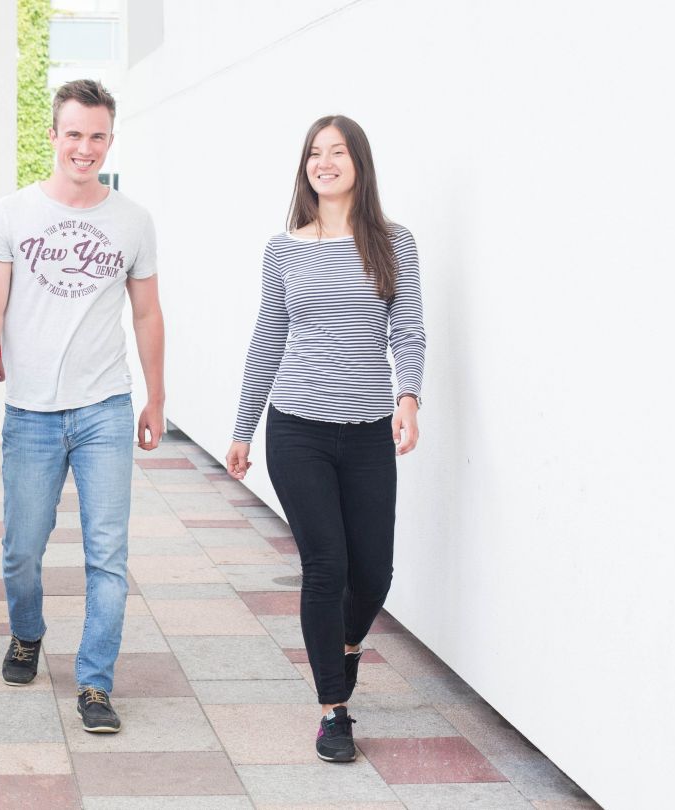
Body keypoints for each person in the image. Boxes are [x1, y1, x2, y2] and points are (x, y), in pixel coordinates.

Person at [226, 114, 425, 763]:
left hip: (368, 431)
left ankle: (341, 651)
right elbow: (267, 340)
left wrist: (408, 398)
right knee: (326, 565)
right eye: (316, 153)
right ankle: (333, 710)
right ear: (305, 167)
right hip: (297, 430)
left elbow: (409, 331)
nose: (325, 162)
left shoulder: (395, 243)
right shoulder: (284, 248)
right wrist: (242, 429)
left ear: (359, 164)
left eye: (337, 152)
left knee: (373, 573)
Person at [0, 79, 165, 735]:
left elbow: (146, 314)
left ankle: (94, 683)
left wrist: (156, 398)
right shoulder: (10, 214)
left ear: (111, 140)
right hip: (30, 412)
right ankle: (26, 634)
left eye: (98, 136)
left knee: (107, 556)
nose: (85, 148)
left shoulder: (133, 220)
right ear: (53, 136)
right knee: (21, 551)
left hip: (106, 408)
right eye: (74, 134)